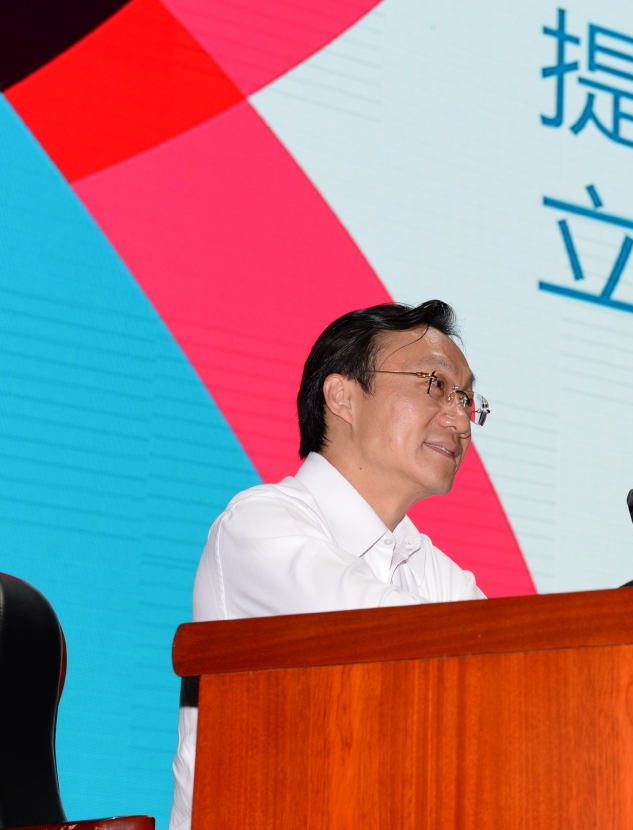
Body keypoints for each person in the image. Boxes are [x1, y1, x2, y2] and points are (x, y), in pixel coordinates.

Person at [169, 301, 489, 830]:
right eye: (435, 385)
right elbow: (386, 640)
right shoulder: (258, 527)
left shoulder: (429, 566)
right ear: (342, 396)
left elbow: (507, 672)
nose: (459, 420)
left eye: (466, 398)